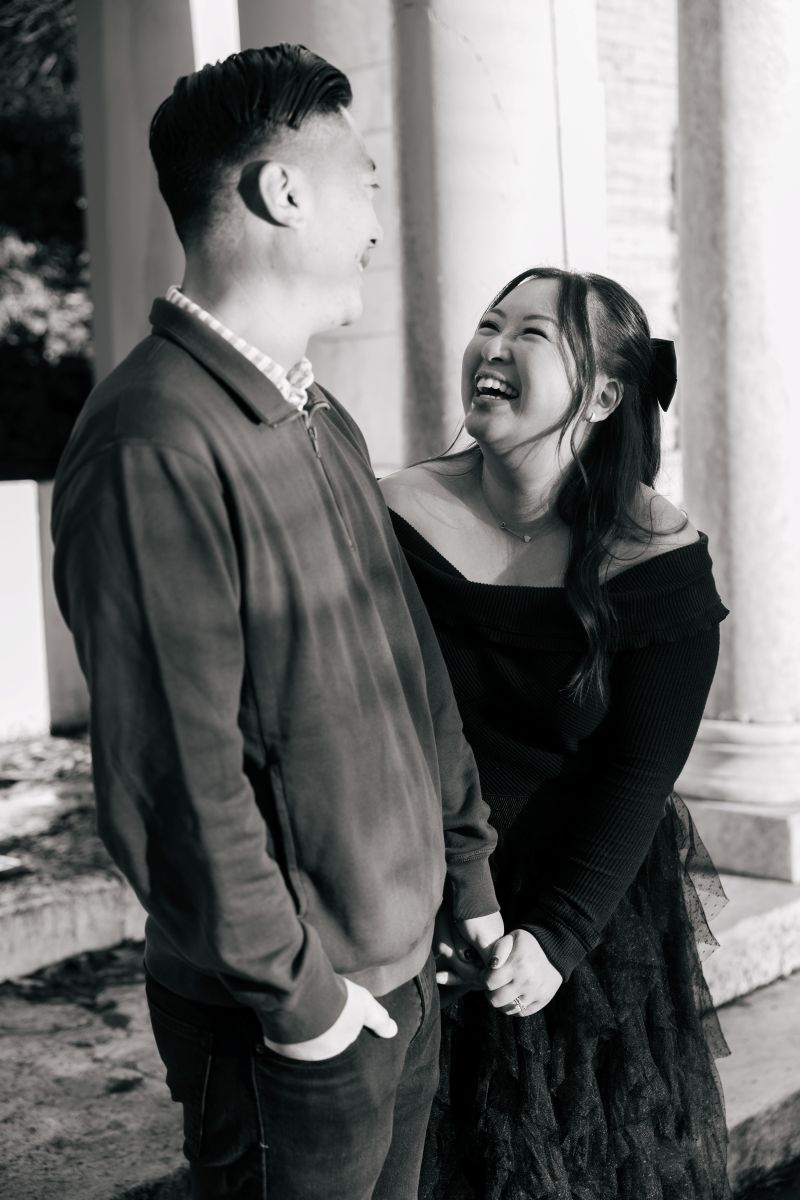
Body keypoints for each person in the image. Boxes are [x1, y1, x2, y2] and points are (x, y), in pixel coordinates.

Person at [51, 44, 503, 1200]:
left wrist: (466, 876)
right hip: (290, 1030)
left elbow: (411, 675)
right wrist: (304, 1008)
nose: (375, 215)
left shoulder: (317, 412)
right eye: (360, 177)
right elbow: (170, 776)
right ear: (281, 191)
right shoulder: (154, 438)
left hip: (402, 984)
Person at [380, 266, 731, 1199]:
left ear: (606, 395)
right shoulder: (390, 514)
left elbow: (638, 778)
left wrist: (553, 939)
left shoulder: (655, 559)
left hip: (579, 902)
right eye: (490, 324)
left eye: (532, 334)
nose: (493, 346)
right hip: (416, 891)